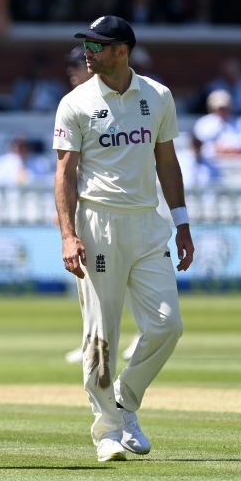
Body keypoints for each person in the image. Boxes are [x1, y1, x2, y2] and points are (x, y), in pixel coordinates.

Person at [53, 15, 194, 462]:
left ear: (122, 51)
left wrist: (183, 222)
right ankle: (107, 432)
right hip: (98, 226)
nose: (87, 53)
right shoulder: (74, 103)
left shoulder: (157, 96)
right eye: (86, 46)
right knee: (100, 337)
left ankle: (125, 400)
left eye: (97, 45)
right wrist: (69, 234)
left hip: (147, 226)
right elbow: (65, 174)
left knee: (167, 324)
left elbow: (166, 162)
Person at [61, 47, 141, 365]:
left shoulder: (116, 100)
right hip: (90, 210)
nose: (72, 70)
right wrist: (66, 220)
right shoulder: (74, 103)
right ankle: (92, 346)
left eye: (76, 64)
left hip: (125, 206)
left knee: (128, 281)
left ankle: (136, 336)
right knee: (90, 290)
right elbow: (66, 169)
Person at [192, 90, 241, 156]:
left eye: (226, 107)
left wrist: (231, 150)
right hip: (213, 164)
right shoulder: (203, 123)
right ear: (211, 108)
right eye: (220, 108)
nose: (224, 111)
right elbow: (200, 147)